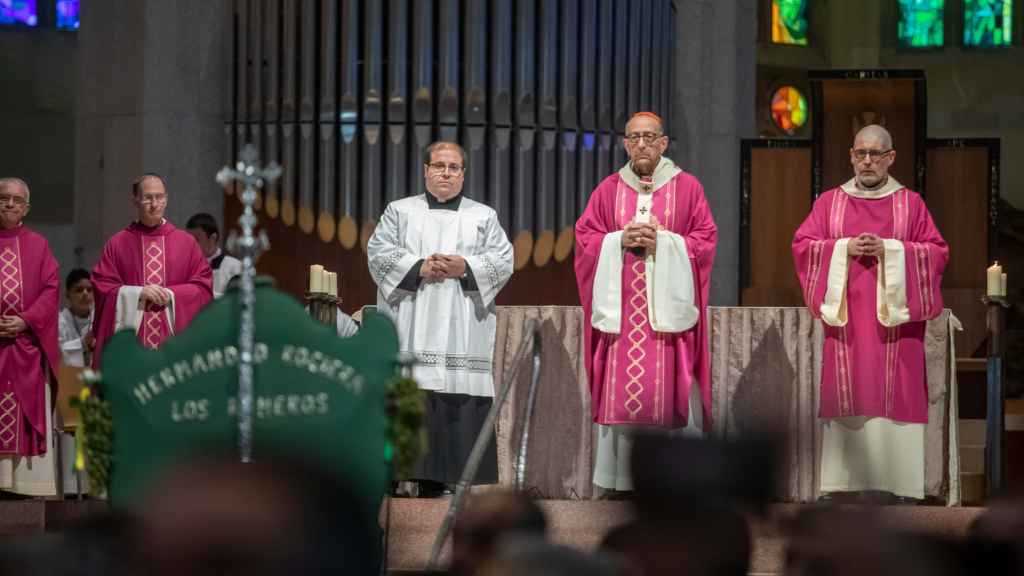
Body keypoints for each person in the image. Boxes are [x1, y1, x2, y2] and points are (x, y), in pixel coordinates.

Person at [792, 124, 947, 501]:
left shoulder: (910, 204)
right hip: (848, 322)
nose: (867, 161)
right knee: (849, 391)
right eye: (860, 153)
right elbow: (803, 245)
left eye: (875, 154)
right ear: (850, 155)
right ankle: (843, 484)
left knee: (898, 391)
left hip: (896, 326)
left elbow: (936, 250)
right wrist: (843, 248)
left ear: (890, 158)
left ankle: (899, 485)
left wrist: (892, 251)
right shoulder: (830, 202)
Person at [574, 111, 717, 494]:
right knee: (623, 396)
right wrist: (616, 240)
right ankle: (621, 481)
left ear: (663, 142)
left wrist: (666, 243)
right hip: (623, 318)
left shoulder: (688, 189)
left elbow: (705, 241)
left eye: (649, 137)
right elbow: (586, 239)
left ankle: (675, 482)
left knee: (670, 392)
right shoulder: (607, 189)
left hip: (665, 323)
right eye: (634, 137)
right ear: (624, 143)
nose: (641, 144)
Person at [367, 141, 514, 495]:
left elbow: (503, 260)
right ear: (425, 170)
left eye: (454, 167)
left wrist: (467, 267)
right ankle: (397, 477)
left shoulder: (483, 216)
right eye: (439, 166)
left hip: (461, 325)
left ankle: (444, 478)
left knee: (452, 393)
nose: (446, 173)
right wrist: (419, 266)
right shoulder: (399, 211)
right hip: (411, 318)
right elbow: (378, 253)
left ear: (463, 173)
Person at [91, 174, 213, 367]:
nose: (154, 204)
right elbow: (103, 288)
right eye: (148, 197)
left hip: (174, 347)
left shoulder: (186, 243)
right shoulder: (117, 244)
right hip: (132, 348)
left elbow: (203, 288)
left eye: (159, 197)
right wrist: (137, 293)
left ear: (166, 199)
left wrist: (172, 295)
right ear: (135, 201)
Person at [0, 177, 61, 496]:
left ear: (26, 207)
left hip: (26, 348)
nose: (9, 204)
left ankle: (23, 487)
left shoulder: (38, 245)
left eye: (16, 200)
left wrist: (24, 320)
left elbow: (51, 292)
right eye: (3, 198)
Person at [186, 212, 242, 299]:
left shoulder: (234, 267)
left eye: (196, 239)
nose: (191, 245)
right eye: (188, 240)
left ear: (213, 238)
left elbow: (236, 299)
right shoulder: (185, 267)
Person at [58, 267, 95, 367]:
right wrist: (82, 343)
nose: (85, 293)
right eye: (79, 290)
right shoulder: (60, 322)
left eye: (89, 290)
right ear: (68, 294)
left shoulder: (99, 319)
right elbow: (56, 354)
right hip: (69, 378)